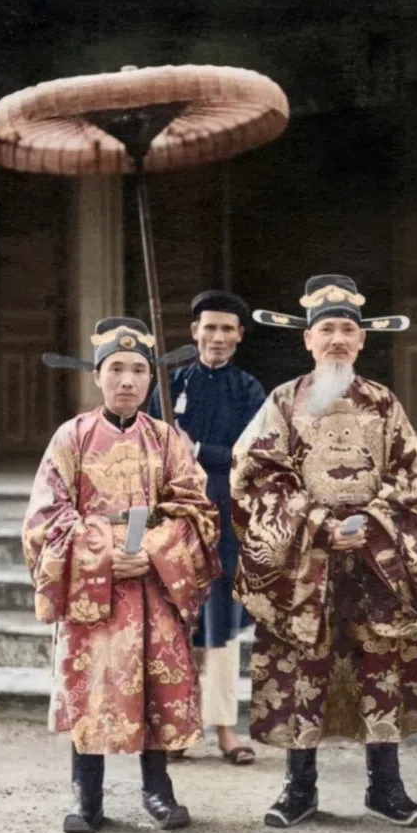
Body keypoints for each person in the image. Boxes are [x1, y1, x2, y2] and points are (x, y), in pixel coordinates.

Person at [231, 274, 417, 828]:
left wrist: (370, 522)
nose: (338, 339)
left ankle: (385, 786)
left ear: (363, 340)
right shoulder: (282, 402)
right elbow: (256, 475)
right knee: (304, 664)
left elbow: (412, 476)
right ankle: (299, 788)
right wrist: (319, 523)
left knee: (381, 664)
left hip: (376, 559)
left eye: (348, 328)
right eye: (326, 329)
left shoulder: (384, 403)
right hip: (306, 563)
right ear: (307, 339)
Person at [22, 317, 220, 833]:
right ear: (98, 376)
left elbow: (196, 509)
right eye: (116, 369)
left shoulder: (168, 440)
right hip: (95, 589)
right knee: (91, 686)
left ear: (152, 380)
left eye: (138, 370)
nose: (127, 381)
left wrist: (154, 550)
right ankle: (87, 798)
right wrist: (106, 552)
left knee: (154, 686)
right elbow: (47, 516)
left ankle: (158, 791)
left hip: (154, 586)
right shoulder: (73, 437)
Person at [150, 290, 265, 764]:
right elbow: (155, 446)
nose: (216, 337)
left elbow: (250, 453)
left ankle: (225, 729)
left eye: (226, 329)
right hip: (176, 516)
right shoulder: (168, 382)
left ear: (239, 336)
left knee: (220, 624)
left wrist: (196, 450)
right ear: (194, 331)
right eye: (209, 327)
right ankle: (177, 726)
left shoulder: (249, 389)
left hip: (227, 516)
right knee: (176, 620)